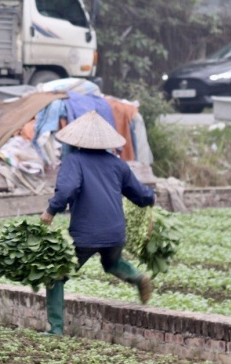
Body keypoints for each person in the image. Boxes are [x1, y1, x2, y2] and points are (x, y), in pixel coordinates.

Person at [39, 110, 155, 336]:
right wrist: (150, 198)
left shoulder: (74, 161)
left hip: (87, 233)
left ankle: (55, 329)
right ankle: (138, 278)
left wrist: (50, 211)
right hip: (115, 232)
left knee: (55, 275)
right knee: (111, 263)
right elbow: (139, 193)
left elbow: (67, 190)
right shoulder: (117, 164)